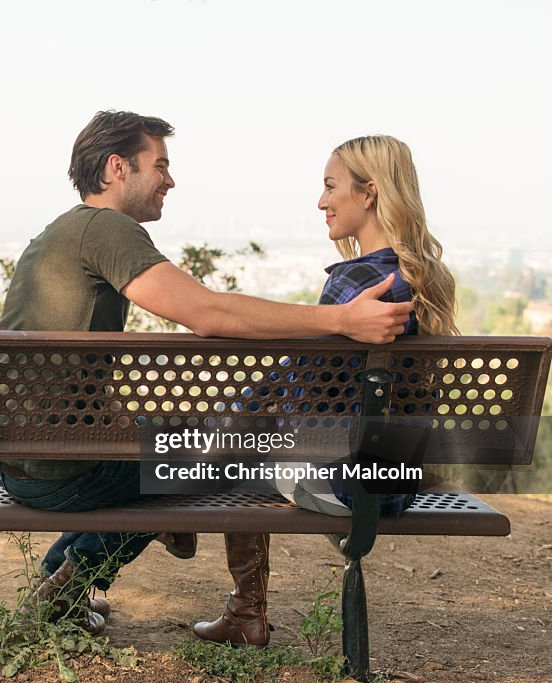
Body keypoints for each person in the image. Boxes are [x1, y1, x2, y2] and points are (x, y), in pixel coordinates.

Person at [0, 111, 413, 636]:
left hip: (15, 453)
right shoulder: (107, 229)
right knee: (218, 458)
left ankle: (73, 581)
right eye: (160, 165)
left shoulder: (64, 231)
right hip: (53, 466)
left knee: (192, 451)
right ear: (118, 168)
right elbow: (209, 314)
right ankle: (76, 584)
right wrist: (341, 319)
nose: (170, 179)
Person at [193, 135, 458, 647]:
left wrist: (230, 417)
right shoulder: (426, 279)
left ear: (370, 193)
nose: (321, 201)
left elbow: (298, 399)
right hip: (398, 481)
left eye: (330, 186)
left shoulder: (355, 282)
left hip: (346, 485)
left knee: (216, 459)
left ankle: (245, 613)